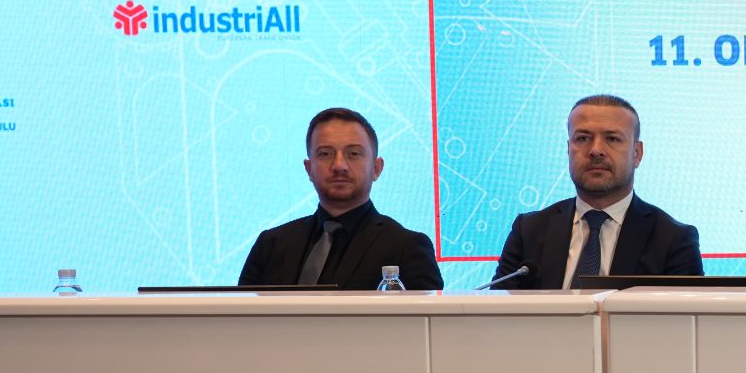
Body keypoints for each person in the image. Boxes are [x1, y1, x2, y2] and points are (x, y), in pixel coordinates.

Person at [492, 94, 702, 288]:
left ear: (637, 153)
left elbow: (685, 315)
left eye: (612, 139)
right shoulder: (529, 230)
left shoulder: (673, 240)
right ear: (568, 149)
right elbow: (495, 309)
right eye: (583, 138)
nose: (596, 150)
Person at [239, 107, 444, 289]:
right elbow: (241, 316)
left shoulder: (407, 248)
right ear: (309, 169)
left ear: (376, 168)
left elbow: (429, 320)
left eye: (353, 153)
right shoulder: (271, 245)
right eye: (325, 154)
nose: (339, 165)